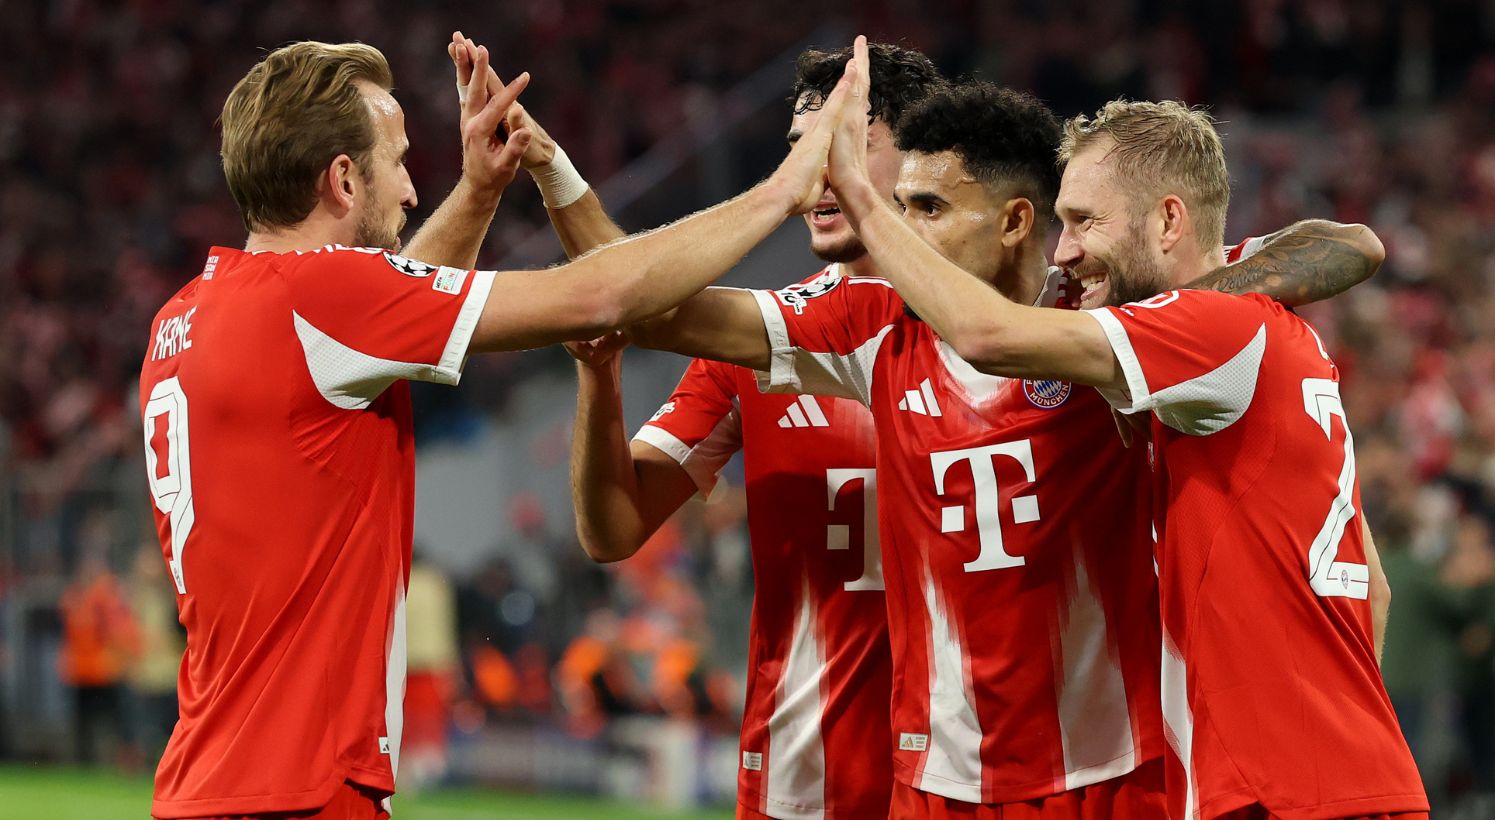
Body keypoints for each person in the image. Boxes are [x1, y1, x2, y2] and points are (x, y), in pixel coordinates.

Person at [625, 49, 1387, 818]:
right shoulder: (869, 326)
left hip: (1200, 776)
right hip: (958, 766)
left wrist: (1170, 325)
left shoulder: (1144, 327)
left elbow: (1350, 244)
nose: (1067, 247)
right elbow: (634, 310)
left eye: (1082, 222)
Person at [138, 34, 859, 820]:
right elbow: (599, 298)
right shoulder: (319, 300)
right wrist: (783, 189)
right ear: (343, 178)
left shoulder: (185, 317)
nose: (413, 191)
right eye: (398, 160)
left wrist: (480, 191)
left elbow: (386, 322)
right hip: (297, 788)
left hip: (210, 776)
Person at [451, 36, 945, 818]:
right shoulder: (762, 338)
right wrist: (599, 372)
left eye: (840, 145)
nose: (814, 173)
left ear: (924, 158)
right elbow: (613, 528)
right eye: (798, 148)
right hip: (802, 775)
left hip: (985, 766)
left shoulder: (1010, 328)